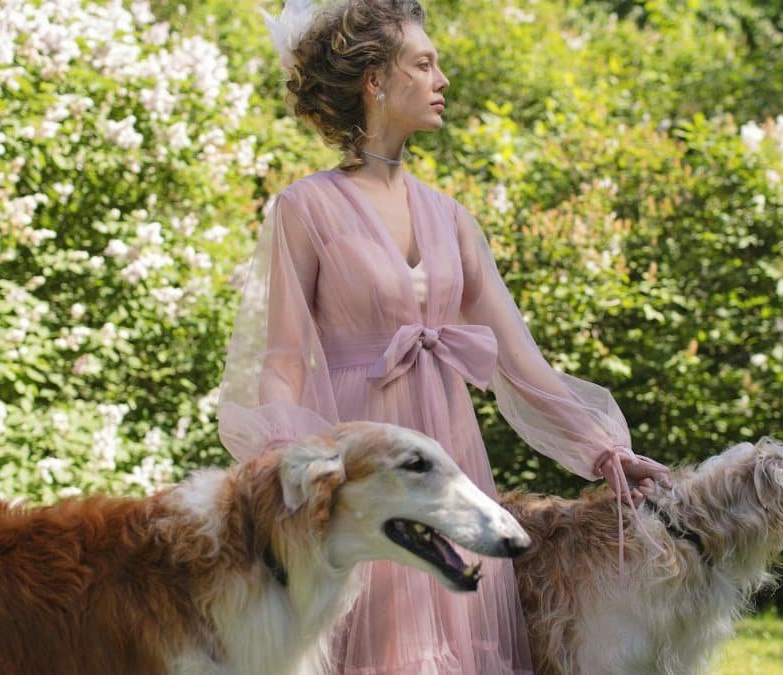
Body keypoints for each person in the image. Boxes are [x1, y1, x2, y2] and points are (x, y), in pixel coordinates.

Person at [217, 1, 671, 673]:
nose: (443, 79)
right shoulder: (304, 209)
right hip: (360, 465)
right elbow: (282, 358)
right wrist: (287, 467)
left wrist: (603, 449)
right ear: (374, 80)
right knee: (371, 638)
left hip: (448, 455)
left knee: (457, 635)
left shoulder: (453, 219)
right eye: (423, 64)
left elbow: (520, 360)